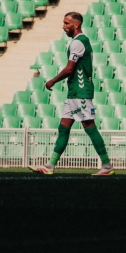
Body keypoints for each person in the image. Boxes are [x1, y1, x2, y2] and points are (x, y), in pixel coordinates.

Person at [28, 12, 113, 176]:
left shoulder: (79, 42)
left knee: (89, 126)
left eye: (67, 23)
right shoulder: (78, 42)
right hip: (74, 91)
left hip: (81, 91)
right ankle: (50, 165)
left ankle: (107, 165)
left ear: (76, 24)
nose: (63, 26)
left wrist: (52, 80)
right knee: (63, 127)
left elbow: (69, 68)